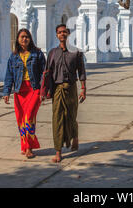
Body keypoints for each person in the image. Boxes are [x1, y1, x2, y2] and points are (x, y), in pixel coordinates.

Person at [42, 24, 87, 163]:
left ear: (68, 34)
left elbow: (82, 71)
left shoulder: (76, 52)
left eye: (65, 32)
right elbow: (47, 72)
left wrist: (83, 89)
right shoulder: (52, 53)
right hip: (57, 89)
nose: (62, 34)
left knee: (71, 116)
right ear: (56, 35)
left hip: (71, 88)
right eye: (60, 32)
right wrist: (43, 91)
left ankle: (75, 136)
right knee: (57, 119)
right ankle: (58, 151)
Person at [3, 28, 46, 159]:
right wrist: (7, 92)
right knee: (21, 119)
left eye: (26, 36)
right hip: (19, 92)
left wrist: (43, 90)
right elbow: (9, 75)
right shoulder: (14, 56)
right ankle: (25, 145)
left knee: (29, 117)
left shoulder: (37, 54)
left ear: (30, 38)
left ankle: (29, 148)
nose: (24, 39)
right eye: (22, 37)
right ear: (17, 39)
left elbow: (44, 73)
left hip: (33, 90)